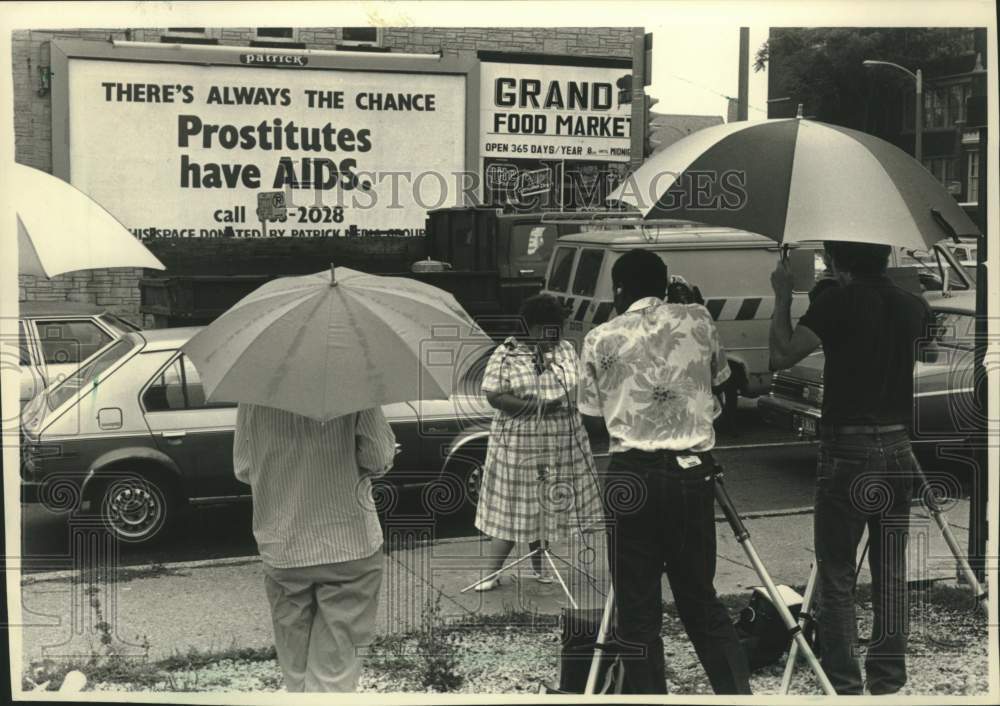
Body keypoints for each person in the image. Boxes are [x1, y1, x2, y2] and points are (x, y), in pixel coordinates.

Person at [578, 250, 752, 695]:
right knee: (700, 599)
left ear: (619, 290)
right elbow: (721, 376)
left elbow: (592, 414)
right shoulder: (698, 321)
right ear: (665, 283)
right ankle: (736, 694)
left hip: (631, 474)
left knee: (637, 612)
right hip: (692, 472)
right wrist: (689, 304)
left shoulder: (600, 337)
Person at [768, 240, 934, 695]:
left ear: (838, 262)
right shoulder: (911, 305)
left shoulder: (835, 302)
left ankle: (843, 681)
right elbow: (909, 346)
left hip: (847, 448)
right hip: (899, 444)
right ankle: (888, 676)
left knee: (838, 569)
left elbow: (781, 355)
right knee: (891, 567)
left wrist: (784, 297)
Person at [233, 403, 396, 692]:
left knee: (295, 668)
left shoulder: (253, 393)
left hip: (283, 542)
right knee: (336, 671)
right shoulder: (355, 382)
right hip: (349, 542)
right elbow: (376, 457)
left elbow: (244, 467)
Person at [472, 294, 603, 591]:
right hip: (520, 441)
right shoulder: (506, 352)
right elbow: (494, 396)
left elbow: (582, 385)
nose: (554, 337)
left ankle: (540, 566)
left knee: (545, 503)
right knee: (516, 506)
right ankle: (491, 572)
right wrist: (538, 406)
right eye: (547, 330)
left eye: (558, 330)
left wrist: (569, 397)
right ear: (530, 327)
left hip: (562, 439)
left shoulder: (566, 350)